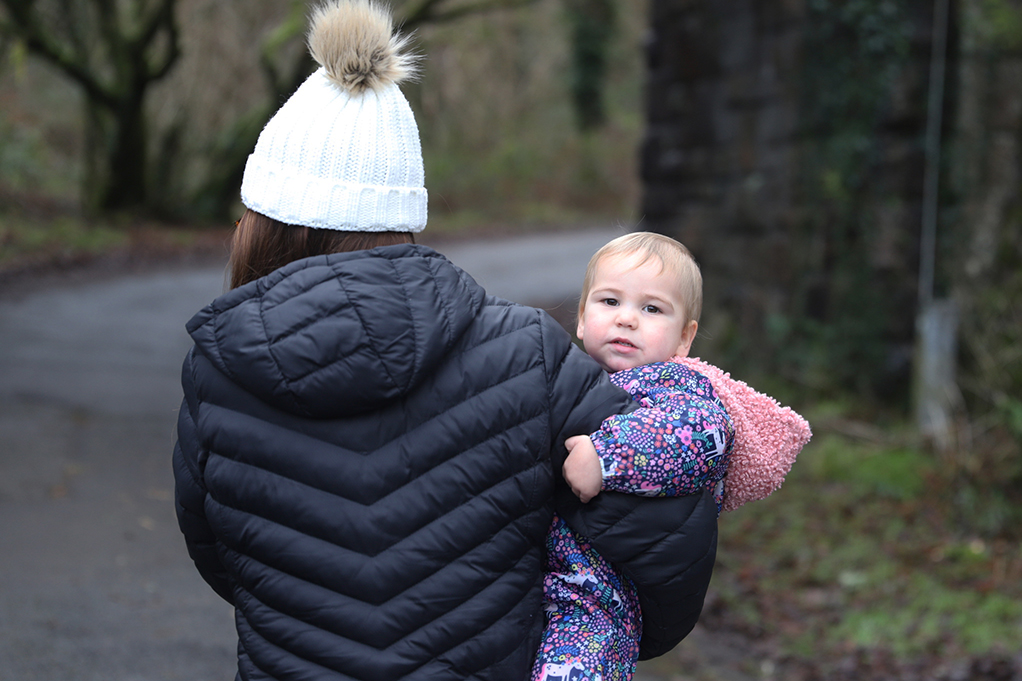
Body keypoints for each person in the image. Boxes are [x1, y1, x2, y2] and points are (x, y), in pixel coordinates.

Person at [171, 3, 719, 680]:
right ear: (403, 217)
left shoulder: (220, 369)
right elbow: (671, 540)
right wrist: (575, 626)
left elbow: (219, 553)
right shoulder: (527, 355)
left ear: (263, 224)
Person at [533, 233, 812, 681]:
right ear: (582, 318)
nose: (626, 319)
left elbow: (698, 436)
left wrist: (607, 456)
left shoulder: (674, 385)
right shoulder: (564, 376)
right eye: (609, 301)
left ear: (684, 338)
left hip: (600, 596)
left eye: (652, 309)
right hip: (536, 577)